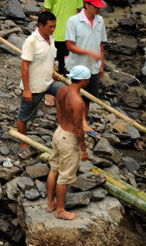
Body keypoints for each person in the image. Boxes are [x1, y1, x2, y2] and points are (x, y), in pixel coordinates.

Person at [16, 11, 65, 158]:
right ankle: (23, 142)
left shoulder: (51, 38)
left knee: (67, 93)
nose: (52, 29)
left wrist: (53, 72)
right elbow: (24, 66)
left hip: (49, 83)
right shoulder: (31, 42)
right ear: (40, 25)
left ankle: (63, 130)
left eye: (54, 26)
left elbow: (51, 57)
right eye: (50, 27)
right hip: (34, 86)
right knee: (24, 116)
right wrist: (27, 90)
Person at [46, 65, 91, 220]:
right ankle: (60, 210)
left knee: (54, 169)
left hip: (59, 132)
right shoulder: (78, 101)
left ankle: (50, 203)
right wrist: (83, 149)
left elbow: (59, 113)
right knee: (64, 176)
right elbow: (79, 128)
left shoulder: (61, 91)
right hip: (69, 138)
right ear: (84, 80)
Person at [64, 0, 107, 135]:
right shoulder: (74, 21)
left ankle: (82, 121)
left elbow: (100, 44)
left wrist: (101, 65)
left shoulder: (100, 21)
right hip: (76, 67)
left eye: (99, 7)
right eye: (96, 6)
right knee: (74, 96)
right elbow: (69, 45)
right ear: (87, 5)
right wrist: (88, 52)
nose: (98, 10)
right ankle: (76, 122)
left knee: (87, 98)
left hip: (92, 68)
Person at [44, 0, 84, 76]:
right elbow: (77, 12)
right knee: (64, 59)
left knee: (55, 58)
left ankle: (58, 74)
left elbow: (46, 12)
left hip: (57, 32)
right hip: (65, 33)